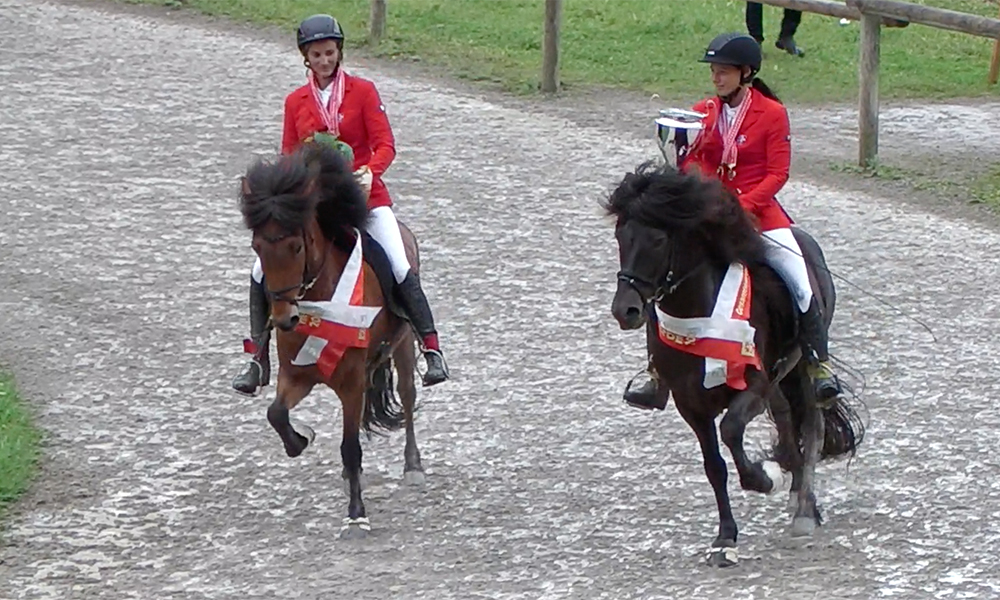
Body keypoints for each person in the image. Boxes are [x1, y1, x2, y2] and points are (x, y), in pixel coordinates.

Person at [232, 14, 450, 395]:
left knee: (397, 264)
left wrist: (369, 171)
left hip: (365, 199)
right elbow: (288, 154)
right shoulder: (295, 102)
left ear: (339, 52)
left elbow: (386, 144)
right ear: (306, 57)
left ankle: (431, 347)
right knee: (259, 270)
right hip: (315, 207)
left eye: (330, 53)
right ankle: (257, 356)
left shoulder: (363, 92)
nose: (324, 61)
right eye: (317, 54)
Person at [624, 32, 840, 410]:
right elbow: (690, 160)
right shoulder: (702, 112)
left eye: (723, 72)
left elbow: (778, 173)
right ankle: (656, 372)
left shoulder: (772, 114)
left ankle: (817, 361)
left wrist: (741, 204)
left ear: (745, 73)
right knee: (663, 273)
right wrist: (702, 190)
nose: (716, 79)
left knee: (799, 279)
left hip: (759, 215)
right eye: (714, 72)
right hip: (709, 216)